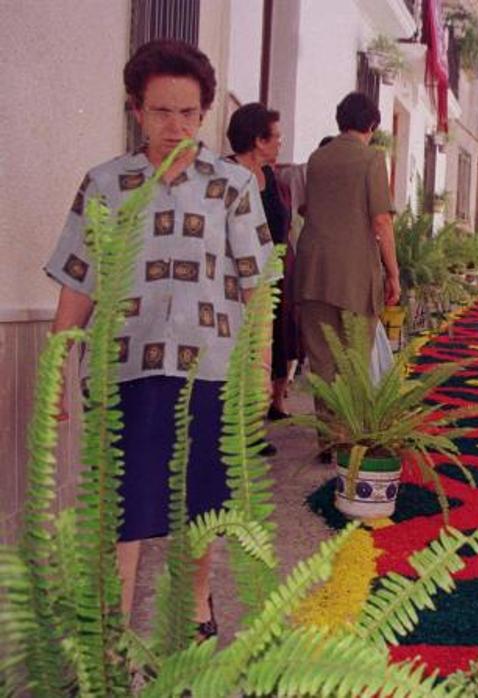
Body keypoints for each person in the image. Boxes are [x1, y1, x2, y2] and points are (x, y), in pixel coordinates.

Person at [44, 39, 272, 639]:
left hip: (212, 370)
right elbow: (77, 282)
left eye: (190, 113)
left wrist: (259, 376)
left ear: (206, 115)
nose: (177, 126)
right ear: (137, 110)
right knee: (121, 504)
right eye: (163, 111)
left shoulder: (233, 186)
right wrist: (55, 374)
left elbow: (257, 289)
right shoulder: (105, 184)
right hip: (124, 372)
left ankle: (195, 607)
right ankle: (109, 636)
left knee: (202, 504)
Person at [294, 92, 400, 462]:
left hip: (313, 270)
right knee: (354, 356)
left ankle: (328, 438)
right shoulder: (372, 159)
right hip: (355, 271)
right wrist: (394, 273)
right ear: (371, 125)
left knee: (322, 358)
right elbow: (382, 220)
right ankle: (350, 437)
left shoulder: (317, 158)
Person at [226, 103, 300, 425]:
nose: (280, 142)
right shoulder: (227, 175)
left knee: (271, 347)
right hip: (237, 282)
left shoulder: (270, 175)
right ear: (258, 139)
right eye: (276, 137)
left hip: (272, 277)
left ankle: (256, 425)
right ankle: (238, 428)